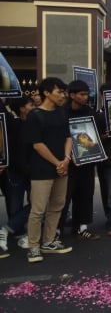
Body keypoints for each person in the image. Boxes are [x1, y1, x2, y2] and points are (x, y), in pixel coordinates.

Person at [25, 77, 73, 262]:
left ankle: (49, 241)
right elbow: (37, 145)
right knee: (37, 210)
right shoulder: (35, 115)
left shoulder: (62, 113)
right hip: (42, 168)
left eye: (63, 91)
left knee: (57, 205)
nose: (62, 95)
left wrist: (66, 159)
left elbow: (68, 137)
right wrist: (58, 163)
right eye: (59, 91)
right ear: (46, 93)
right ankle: (33, 246)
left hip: (62, 166)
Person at [58, 80, 101, 241]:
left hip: (87, 161)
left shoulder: (90, 112)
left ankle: (82, 227)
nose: (85, 97)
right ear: (72, 95)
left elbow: (94, 136)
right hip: (68, 162)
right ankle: (56, 230)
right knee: (64, 197)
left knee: (85, 195)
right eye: (81, 94)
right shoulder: (62, 112)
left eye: (86, 94)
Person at [0, 97, 34, 257]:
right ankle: (17, 233)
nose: (34, 107)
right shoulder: (11, 125)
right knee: (14, 205)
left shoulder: (35, 123)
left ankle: (7, 229)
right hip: (15, 171)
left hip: (33, 171)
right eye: (30, 104)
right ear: (21, 108)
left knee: (38, 203)